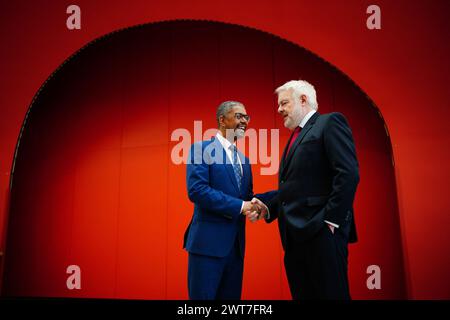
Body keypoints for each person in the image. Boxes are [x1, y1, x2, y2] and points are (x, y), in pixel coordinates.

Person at [251, 80, 360, 299]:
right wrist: (267, 204)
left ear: (303, 100)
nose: (279, 109)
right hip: (294, 238)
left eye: (284, 103)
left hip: (321, 234)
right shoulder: (295, 137)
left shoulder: (329, 123)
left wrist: (331, 221)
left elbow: (348, 173)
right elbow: (296, 187)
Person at [183, 100, 275, 300]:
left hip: (236, 249)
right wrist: (242, 206)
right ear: (222, 120)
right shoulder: (201, 149)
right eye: (239, 116)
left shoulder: (244, 160)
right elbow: (197, 190)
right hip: (207, 247)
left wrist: (264, 204)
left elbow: (247, 198)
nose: (244, 121)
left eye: (246, 117)